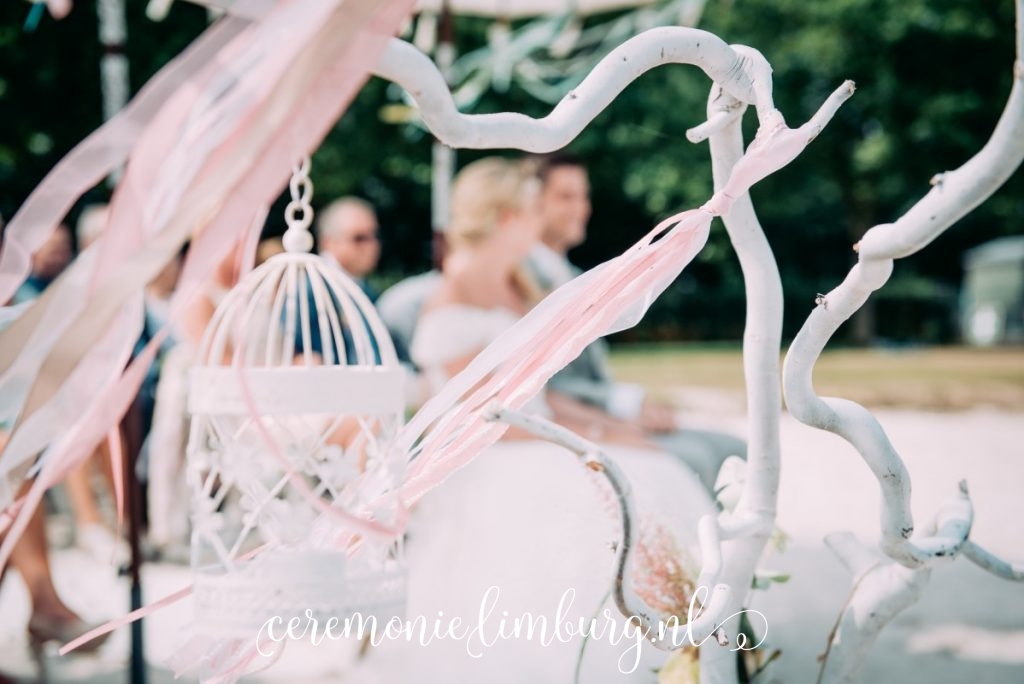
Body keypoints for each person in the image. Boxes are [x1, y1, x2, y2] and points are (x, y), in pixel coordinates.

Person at [358, 158, 714, 683]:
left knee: (657, 466)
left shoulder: (518, 283)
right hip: (491, 454)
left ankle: (680, 641)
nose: (538, 224)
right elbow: (484, 419)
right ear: (506, 218)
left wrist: (613, 429)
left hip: (538, 435)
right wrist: (586, 439)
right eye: (530, 212)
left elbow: (541, 398)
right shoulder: (450, 296)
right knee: (604, 494)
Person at [526, 153, 746, 492]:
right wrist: (623, 409)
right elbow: (548, 386)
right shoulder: (523, 280)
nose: (581, 208)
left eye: (584, 196)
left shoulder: (571, 276)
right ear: (532, 202)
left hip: (604, 414)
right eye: (566, 196)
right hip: (571, 423)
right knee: (696, 459)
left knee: (736, 451)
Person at [315, 196, 382, 300]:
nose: (372, 246)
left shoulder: (367, 291)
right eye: (359, 238)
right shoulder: (310, 291)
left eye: (375, 236)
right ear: (329, 243)